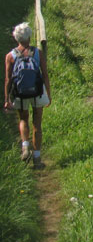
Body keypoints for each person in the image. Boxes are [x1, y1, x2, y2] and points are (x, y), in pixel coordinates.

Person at [4, 22, 51, 169]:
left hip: (20, 93)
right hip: (37, 92)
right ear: (29, 36)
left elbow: (8, 79)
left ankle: (25, 147)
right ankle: (37, 159)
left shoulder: (10, 56)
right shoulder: (38, 53)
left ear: (16, 38)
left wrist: (6, 99)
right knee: (37, 124)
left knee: (23, 119)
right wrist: (48, 94)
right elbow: (45, 75)